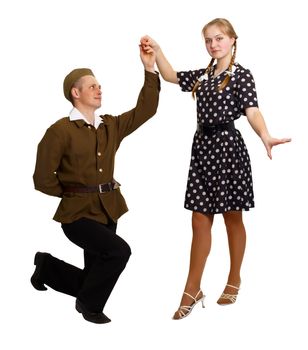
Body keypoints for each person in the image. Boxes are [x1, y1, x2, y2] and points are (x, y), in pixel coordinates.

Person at [140, 18, 291, 320]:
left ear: (233, 40)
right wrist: (155, 51)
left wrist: (265, 135)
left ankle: (234, 278)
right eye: (208, 40)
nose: (213, 44)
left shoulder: (241, 75)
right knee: (199, 219)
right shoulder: (204, 75)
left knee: (232, 218)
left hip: (227, 149)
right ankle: (192, 289)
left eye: (219, 38)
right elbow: (170, 76)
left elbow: (253, 110)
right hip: (202, 150)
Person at [31, 46, 160, 324]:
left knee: (95, 274)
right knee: (119, 252)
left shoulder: (110, 126)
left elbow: (146, 109)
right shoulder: (60, 131)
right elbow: (41, 178)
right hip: (77, 215)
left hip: (108, 211)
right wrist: (71, 193)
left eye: (99, 86)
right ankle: (89, 306)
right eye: (92, 86)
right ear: (75, 93)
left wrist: (149, 69)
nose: (99, 90)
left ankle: (47, 269)